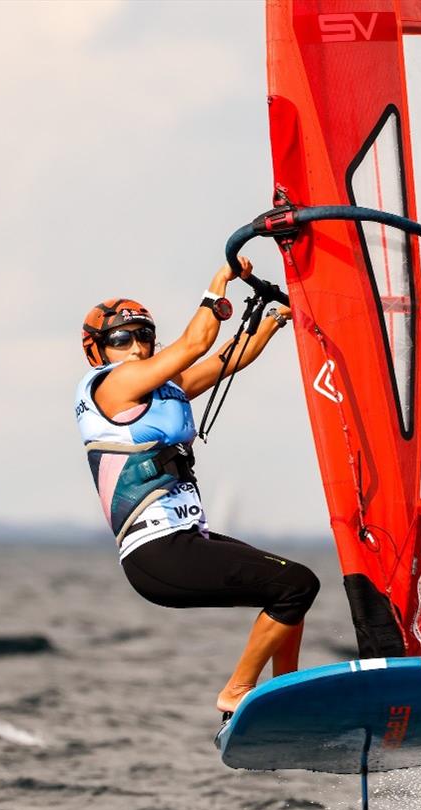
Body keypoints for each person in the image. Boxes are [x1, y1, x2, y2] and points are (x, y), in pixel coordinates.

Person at [74, 257, 319, 720]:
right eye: (121, 339)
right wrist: (219, 283)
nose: (136, 347)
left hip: (186, 541)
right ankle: (237, 690)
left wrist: (276, 318)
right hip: (158, 553)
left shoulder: (164, 388)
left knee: (290, 587)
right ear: (98, 352)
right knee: (296, 585)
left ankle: (285, 692)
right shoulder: (113, 386)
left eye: (144, 335)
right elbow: (197, 341)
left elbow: (226, 359)